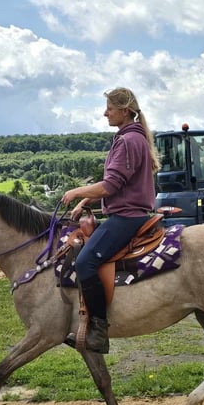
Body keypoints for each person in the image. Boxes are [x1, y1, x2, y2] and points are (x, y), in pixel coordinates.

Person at [61, 87, 161, 353]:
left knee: (85, 262)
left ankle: (98, 329)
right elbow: (117, 185)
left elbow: (110, 186)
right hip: (131, 213)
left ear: (124, 111)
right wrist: (87, 200)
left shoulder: (128, 141)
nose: (105, 113)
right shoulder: (133, 138)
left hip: (126, 217)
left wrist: (76, 192)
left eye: (110, 108)